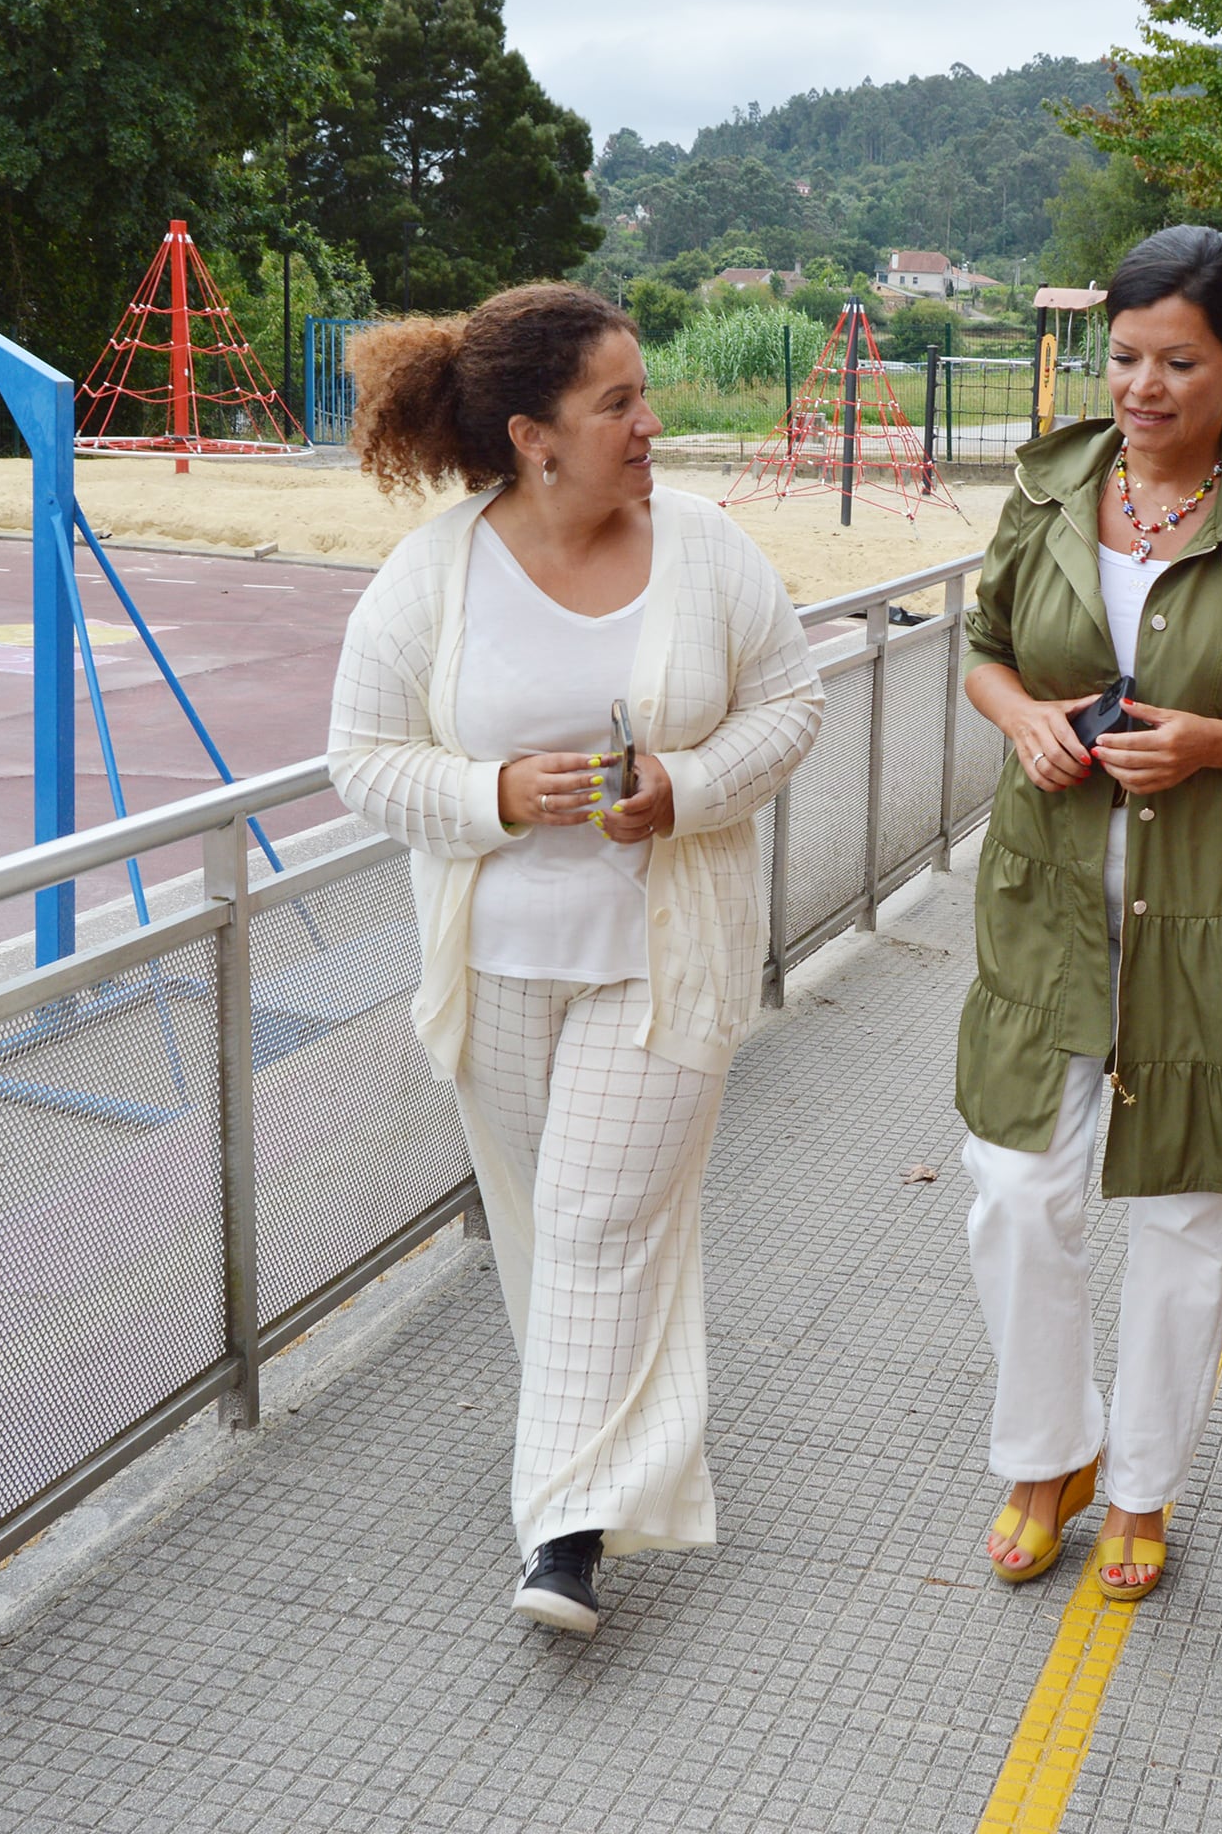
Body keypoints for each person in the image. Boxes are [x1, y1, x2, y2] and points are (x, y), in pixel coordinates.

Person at [326, 283, 823, 1637]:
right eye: (619, 404)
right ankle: (600, 1476)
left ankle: (560, 1538)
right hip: (493, 970)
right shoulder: (432, 574)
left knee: (600, 1224)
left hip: (663, 970)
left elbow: (792, 703)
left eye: (643, 393)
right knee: (552, 1236)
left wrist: (687, 785)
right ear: (535, 436)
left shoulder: (708, 550)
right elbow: (361, 764)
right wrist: (493, 796)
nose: (650, 424)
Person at [957, 225, 1222, 1603]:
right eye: (1125, 355)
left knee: (1191, 1214)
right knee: (1017, 1192)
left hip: (1211, 914)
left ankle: (1140, 1487)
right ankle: (1049, 1452)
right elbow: (985, 654)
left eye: (1179, 362)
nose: (1143, 386)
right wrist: (1023, 718)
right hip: (1050, 906)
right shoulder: (1048, 486)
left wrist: (1216, 744)